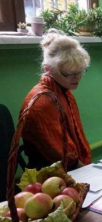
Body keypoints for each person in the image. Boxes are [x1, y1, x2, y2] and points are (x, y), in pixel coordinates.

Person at [19, 29, 92, 170]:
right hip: (49, 176)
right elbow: (63, 157)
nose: (77, 78)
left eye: (80, 72)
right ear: (49, 69)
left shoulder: (63, 91)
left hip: (67, 169)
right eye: (70, 74)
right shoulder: (42, 102)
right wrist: (90, 173)